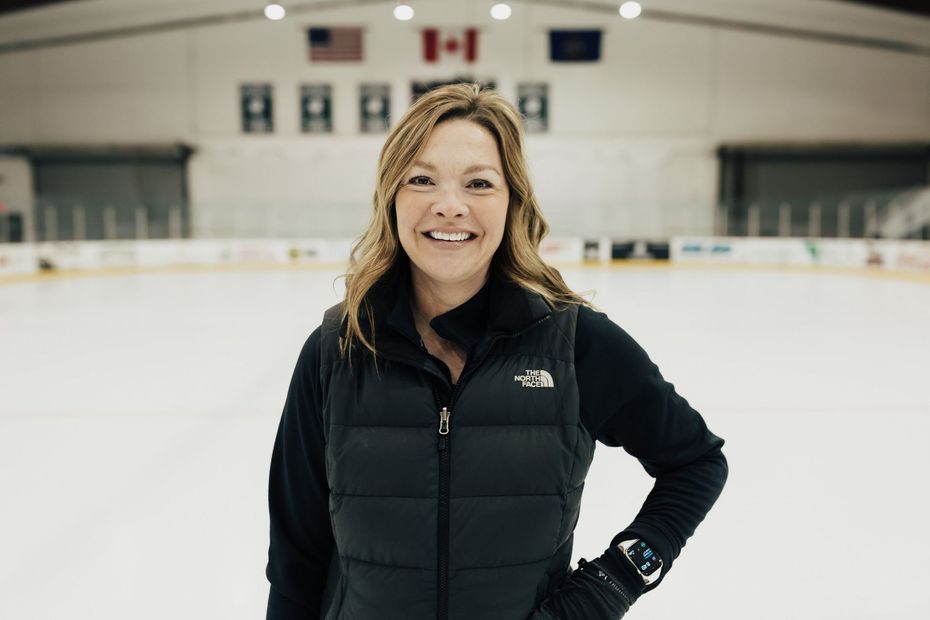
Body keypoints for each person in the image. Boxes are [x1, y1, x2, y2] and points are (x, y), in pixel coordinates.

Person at [265, 83, 728, 619]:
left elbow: (695, 461)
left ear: (512, 202)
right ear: (392, 197)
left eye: (479, 183)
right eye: (422, 179)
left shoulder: (574, 344)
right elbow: (296, 555)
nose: (449, 206)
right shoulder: (338, 351)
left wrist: (612, 585)